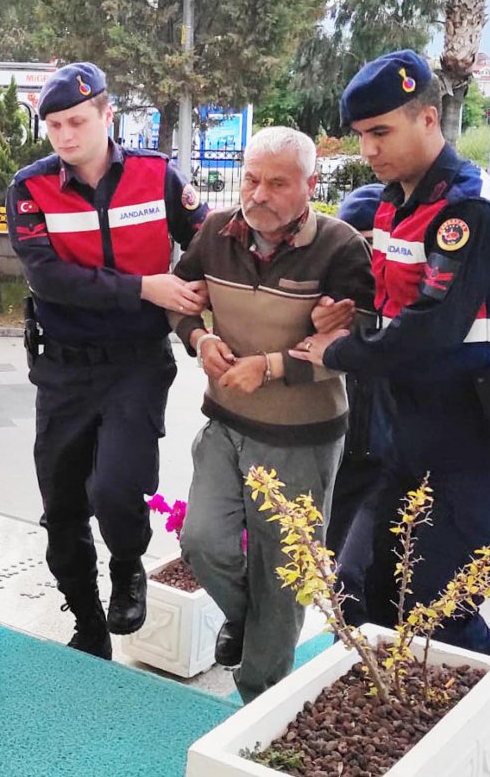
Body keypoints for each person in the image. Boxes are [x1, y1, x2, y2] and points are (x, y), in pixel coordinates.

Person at [291, 50, 490, 716]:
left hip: (476, 442)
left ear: (427, 118)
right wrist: (347, 313)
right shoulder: (394, 205)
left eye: (381, 132)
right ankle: (407, 711)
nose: (367, 148)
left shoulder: (468, 211)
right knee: (355, 589)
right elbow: (395, 301)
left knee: (437, 606)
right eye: (361, 134)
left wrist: (341, 350)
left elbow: (433, 327)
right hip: (408, 435)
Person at [6, 62, 208, 661]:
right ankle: (87, 619)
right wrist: (145, 287)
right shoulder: (30, 188)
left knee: (118, 486)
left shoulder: (158, 177)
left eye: (76, 121)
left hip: (136, 362)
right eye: (54, 125)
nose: (64, 136)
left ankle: (127, 566)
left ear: (106, 115)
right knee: (62, 502)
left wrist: (202, 307)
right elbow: (49, 279)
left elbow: (207, 244)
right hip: (64, 367)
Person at [168, 127, 375, 703]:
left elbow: (359, 345)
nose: (258, 194)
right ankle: (249, 621)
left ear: (311, 185)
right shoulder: (214, 232)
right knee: (202, 541)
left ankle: (257, 707)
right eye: (251, 179)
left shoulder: (340, 247)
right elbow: (183, 303)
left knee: (285, 575)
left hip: (302, 438)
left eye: (277, 183)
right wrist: (199, 342)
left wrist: (272, 366)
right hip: (226, 423)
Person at [325, 184, 397, 559]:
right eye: (356, 244)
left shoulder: (408, 309)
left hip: (391, 465)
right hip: (337, 462)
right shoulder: (327, 299)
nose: (366, 256)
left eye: (375, 243)